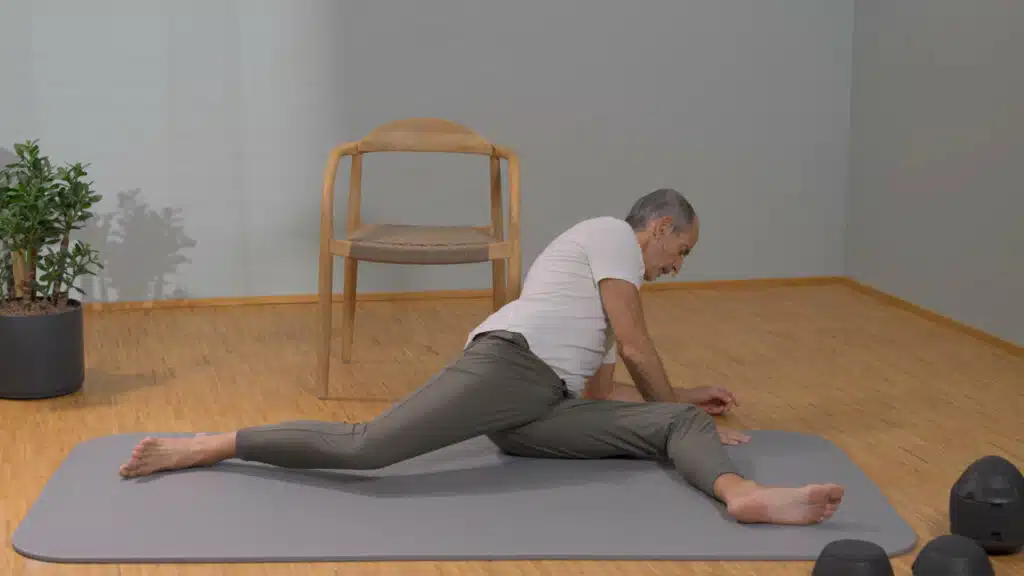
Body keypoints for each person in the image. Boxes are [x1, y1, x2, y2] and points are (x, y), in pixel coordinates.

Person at [119, 188, 844, 526]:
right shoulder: (611, 237)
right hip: (506, 366)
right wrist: (672, 391)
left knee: (679, 427)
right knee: (370, 448)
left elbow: (603, 392)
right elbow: (635, 343)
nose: (675, 266)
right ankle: (209, 445)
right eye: (678, 252)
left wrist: (681, 401)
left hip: (537, 406)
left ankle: (739, 497)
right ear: (657, 229)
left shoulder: (598, 293)